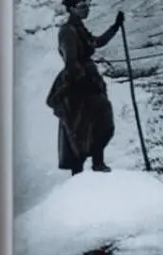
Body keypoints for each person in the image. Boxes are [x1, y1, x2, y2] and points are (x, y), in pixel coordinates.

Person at [47, 2, 126, 176]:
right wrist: (82, 80)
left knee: (97, 122)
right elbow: (71, 62)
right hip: (77, 85)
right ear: (72, 8)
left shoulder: (78, 28)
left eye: (87, 4)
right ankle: (82, 169)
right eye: (82, 5)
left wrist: (115, 27)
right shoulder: (67, 31)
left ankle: (97, 163)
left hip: (89, 81)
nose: (86, 8)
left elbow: (96, 42)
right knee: (81, 126)